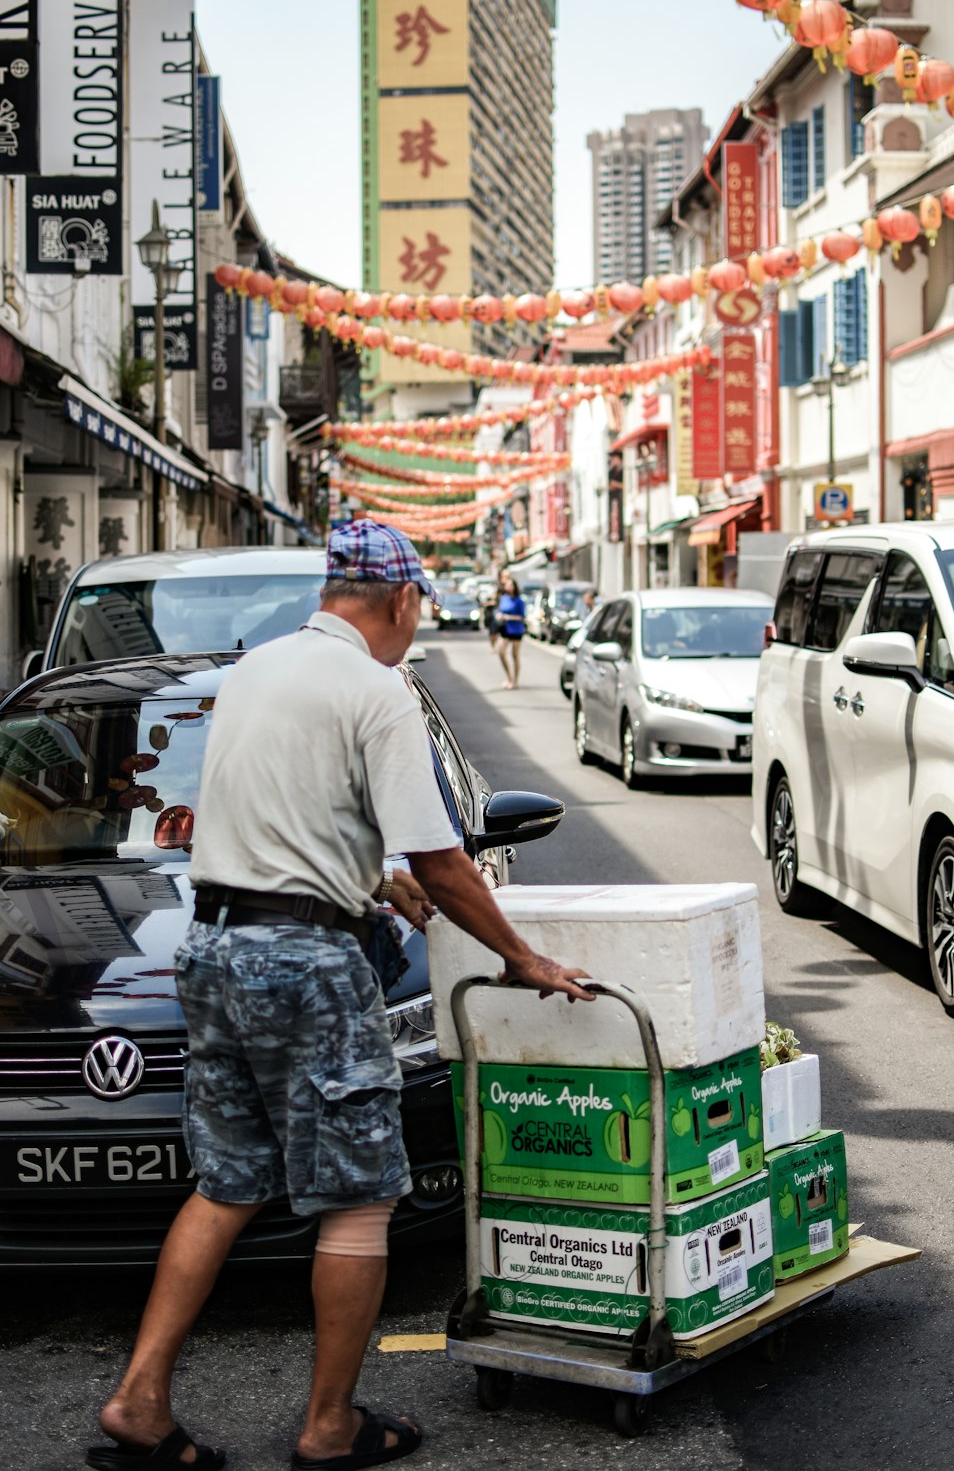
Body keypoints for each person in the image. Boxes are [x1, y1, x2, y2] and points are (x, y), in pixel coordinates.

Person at [87, 520, 592, 1471]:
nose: (415, 626)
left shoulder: (256, 671)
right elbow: (443, 862)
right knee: (360, 1199)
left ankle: (140, 1401)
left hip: (215, 947)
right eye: (419, 610)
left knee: (227, 1181)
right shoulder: (378, 689)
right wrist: (524, 958)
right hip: (306, 967)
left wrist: (367, 878)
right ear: (399, 600)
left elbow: (287, 821)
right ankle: (328, 1425)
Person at [495, 572, 526, 689]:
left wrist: (508, 617)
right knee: (501, 652)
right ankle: (509, 677)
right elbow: (500, 611)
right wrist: (499, 615)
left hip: (516, 630)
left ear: (514, 587)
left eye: (510, 585)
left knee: (515, 656)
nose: (508, 587)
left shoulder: (519, 601)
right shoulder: (504, 598)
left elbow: (522, 617)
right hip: (505, 628)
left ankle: (515, 680)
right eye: (507, 585)